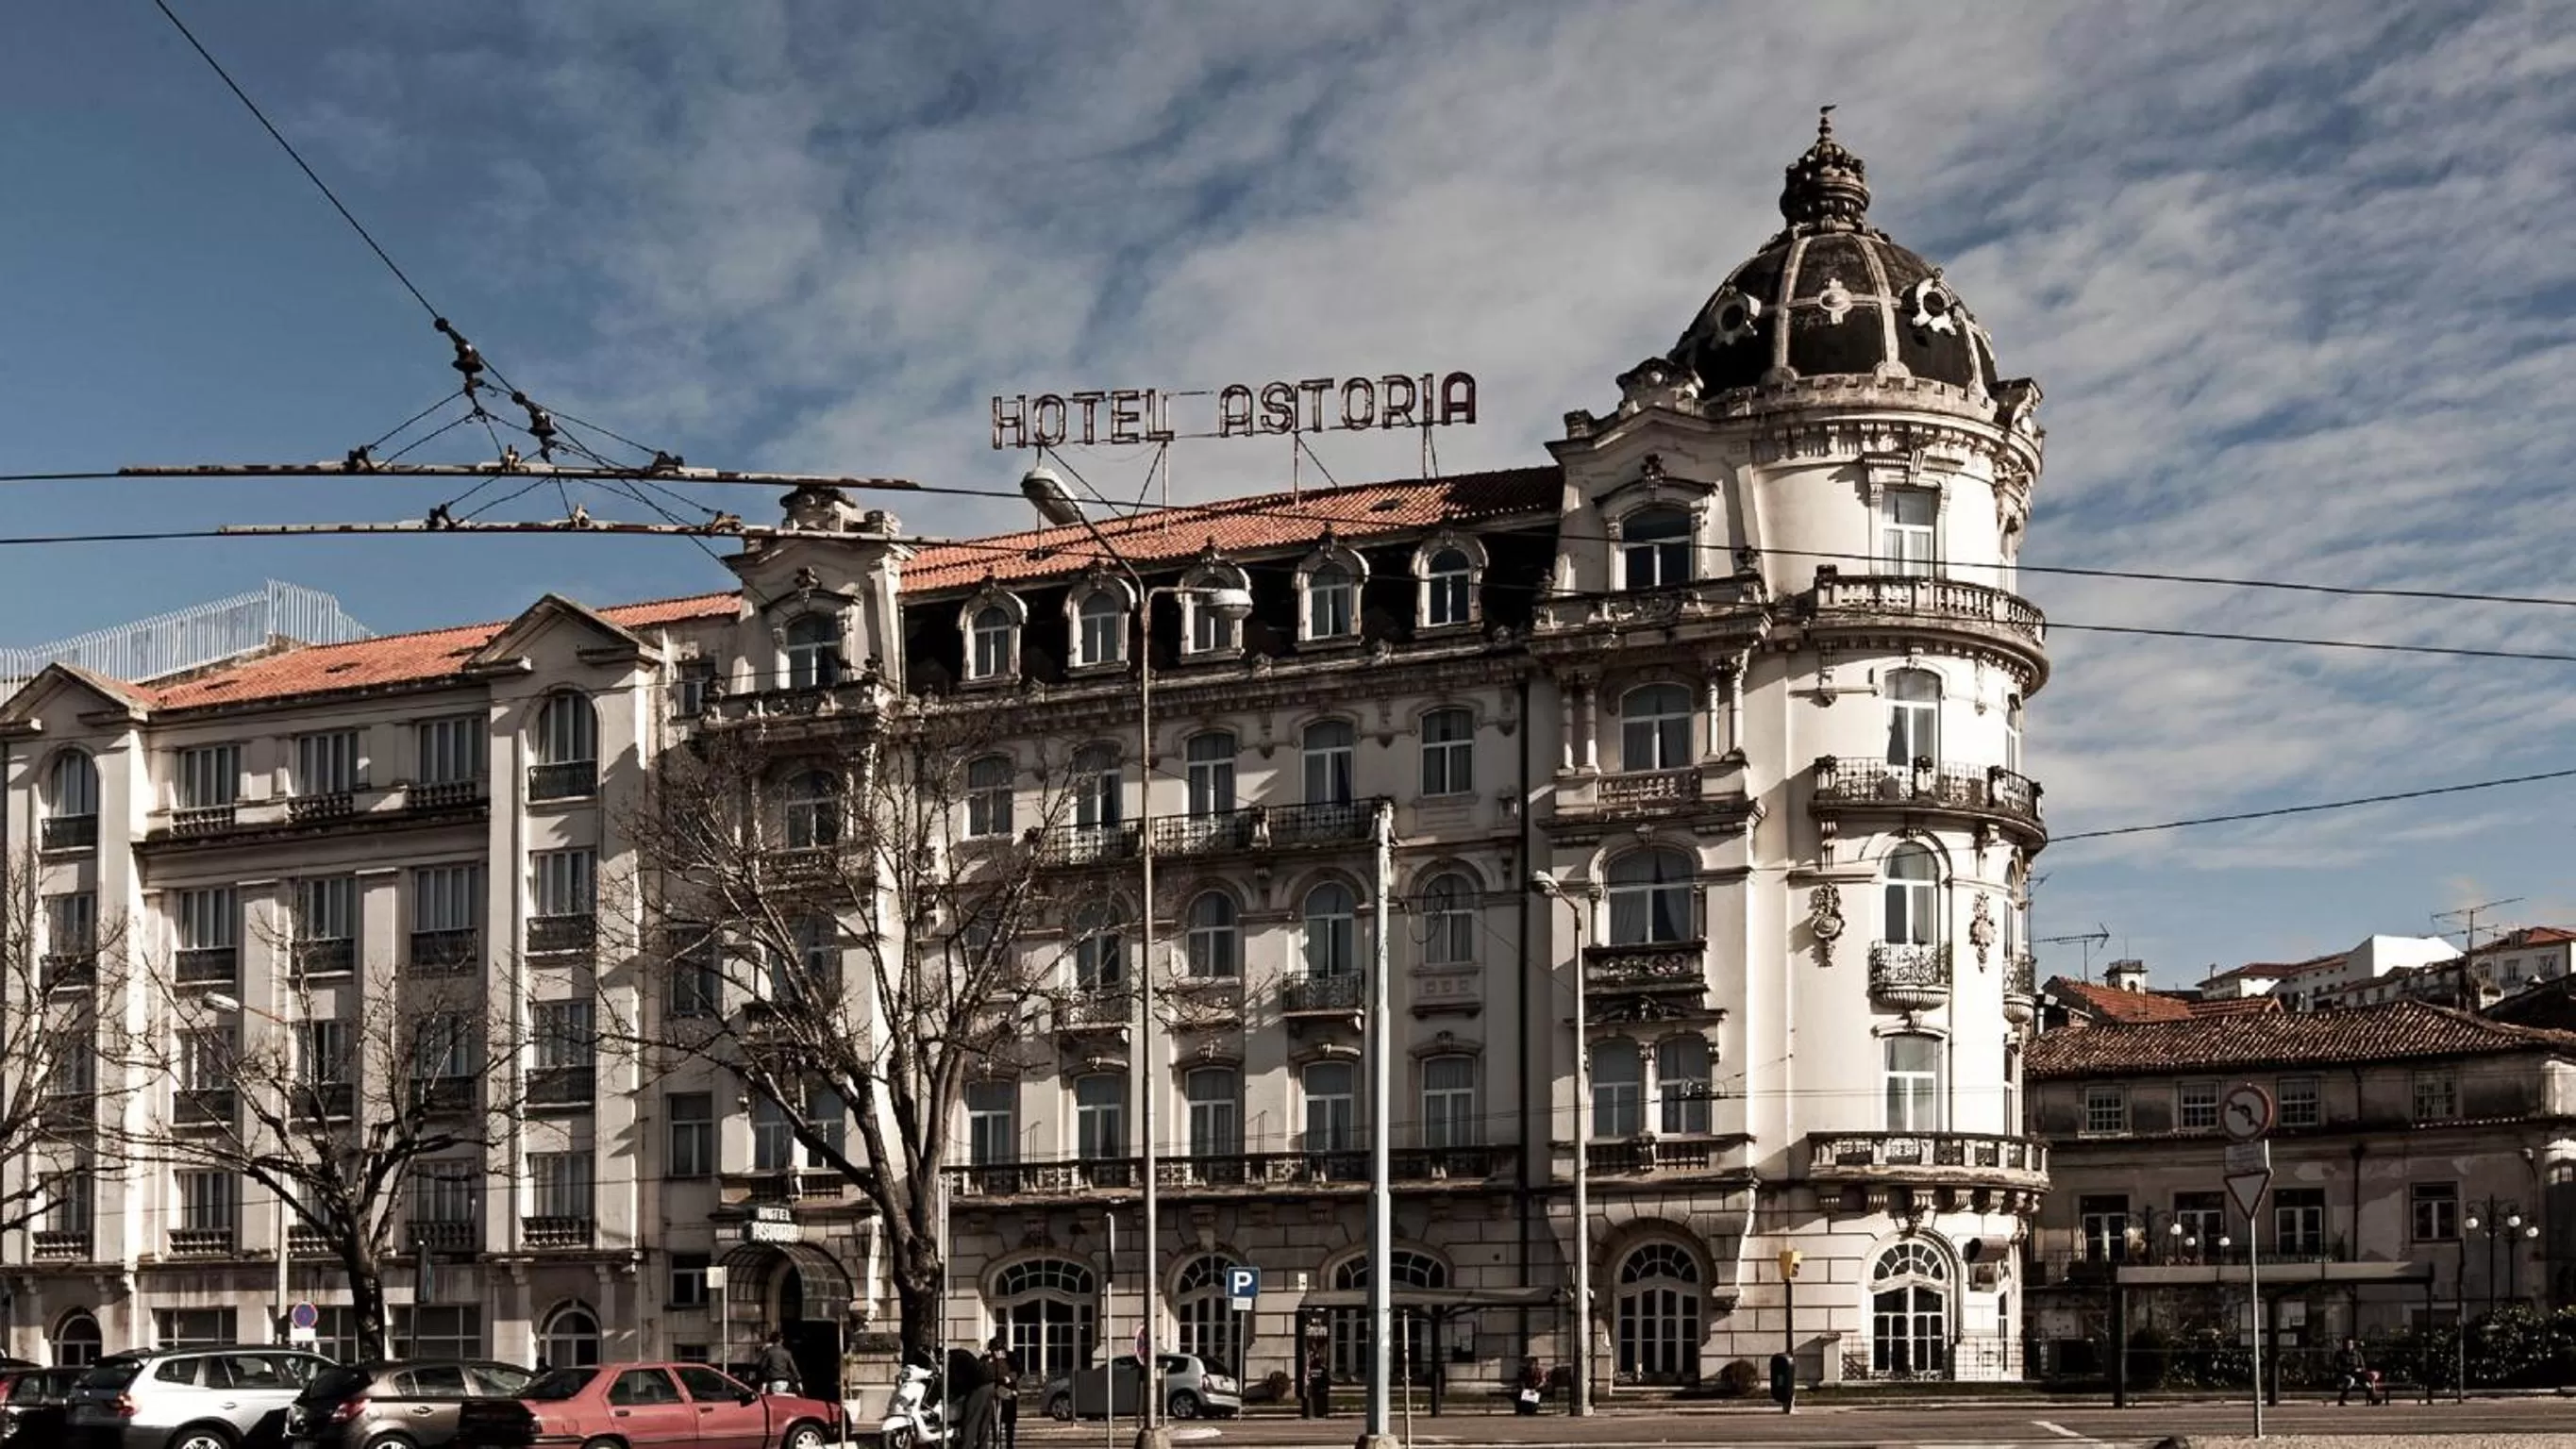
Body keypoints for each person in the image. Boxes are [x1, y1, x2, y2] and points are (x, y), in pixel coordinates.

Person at [980, 1337, 1020, 1449]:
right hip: (994, 1392)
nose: (997, 1353)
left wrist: (1010, 1378)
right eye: (995, 1351)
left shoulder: (1011, 1358)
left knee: (1009, 1422)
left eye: (999, 1350)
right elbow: (982, 1372)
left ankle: (1009, 1444)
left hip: (1008, 1392)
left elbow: (1018, 1371)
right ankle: (996, 1442)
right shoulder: (987, 1360)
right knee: (995, 1420)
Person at [2334, 1337, 2383, 1406]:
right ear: (2344, 1345)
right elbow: (2337, 1367)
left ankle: (2373, 1398)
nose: (2349, 1345)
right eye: (2347, 1344)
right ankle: (2342, 1400)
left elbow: (2363, 1366)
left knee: (2367, 1383)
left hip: (2357, 1374)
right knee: (2351, 1380)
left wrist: (2360, 1369)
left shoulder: (2357, 1353)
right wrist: (2349, 1369)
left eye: (2351, 1344)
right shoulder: (2339, 1354)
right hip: (2344, 1374)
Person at [754, 1330, 800, 1397]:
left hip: (773, 1380)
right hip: (785, 1381)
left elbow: (762, 1366)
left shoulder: (769, 1351)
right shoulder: (787, 1352)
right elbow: (793, 1368)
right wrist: (798, 1380)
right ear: (781, 1341)